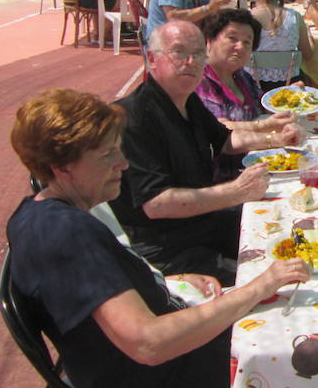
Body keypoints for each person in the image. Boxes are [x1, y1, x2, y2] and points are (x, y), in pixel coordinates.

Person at [7, 88, 311, 388]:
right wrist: (260, 285)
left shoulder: (37, 214)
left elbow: (101, 290)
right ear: (62, 168)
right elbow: (149, 343)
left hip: (128, 372)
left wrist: (166, 279)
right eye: (107, 156)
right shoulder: (67, 235)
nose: (123, 164)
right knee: (298, 349)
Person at [111, 21, 301, 284]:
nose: (191, 61)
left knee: (286, 233)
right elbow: (156, 204)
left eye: (198, 54)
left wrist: (275, 139)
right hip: (166, 247)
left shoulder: (186, 100)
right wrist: (236, 192)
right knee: (267, 278)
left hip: (201, 222)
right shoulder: (133, 119)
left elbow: (225, 140)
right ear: (152, 59)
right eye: (179, 52)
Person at [196, 9, 274, 183]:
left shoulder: (242, 77)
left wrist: (290, 96)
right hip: (219, 185)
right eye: (232, 38)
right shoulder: (199, 83)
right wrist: (269, 134)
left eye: (247, 42)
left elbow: (264, 107)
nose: (240, 47)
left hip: (256, 170)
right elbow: (219, 131)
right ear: (209, 41)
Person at [247, 0, 313, 90]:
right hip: (290, 84)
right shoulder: (295, 17)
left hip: (253, 85)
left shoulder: (248, 18)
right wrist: (309, 37)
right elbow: (308, 55)